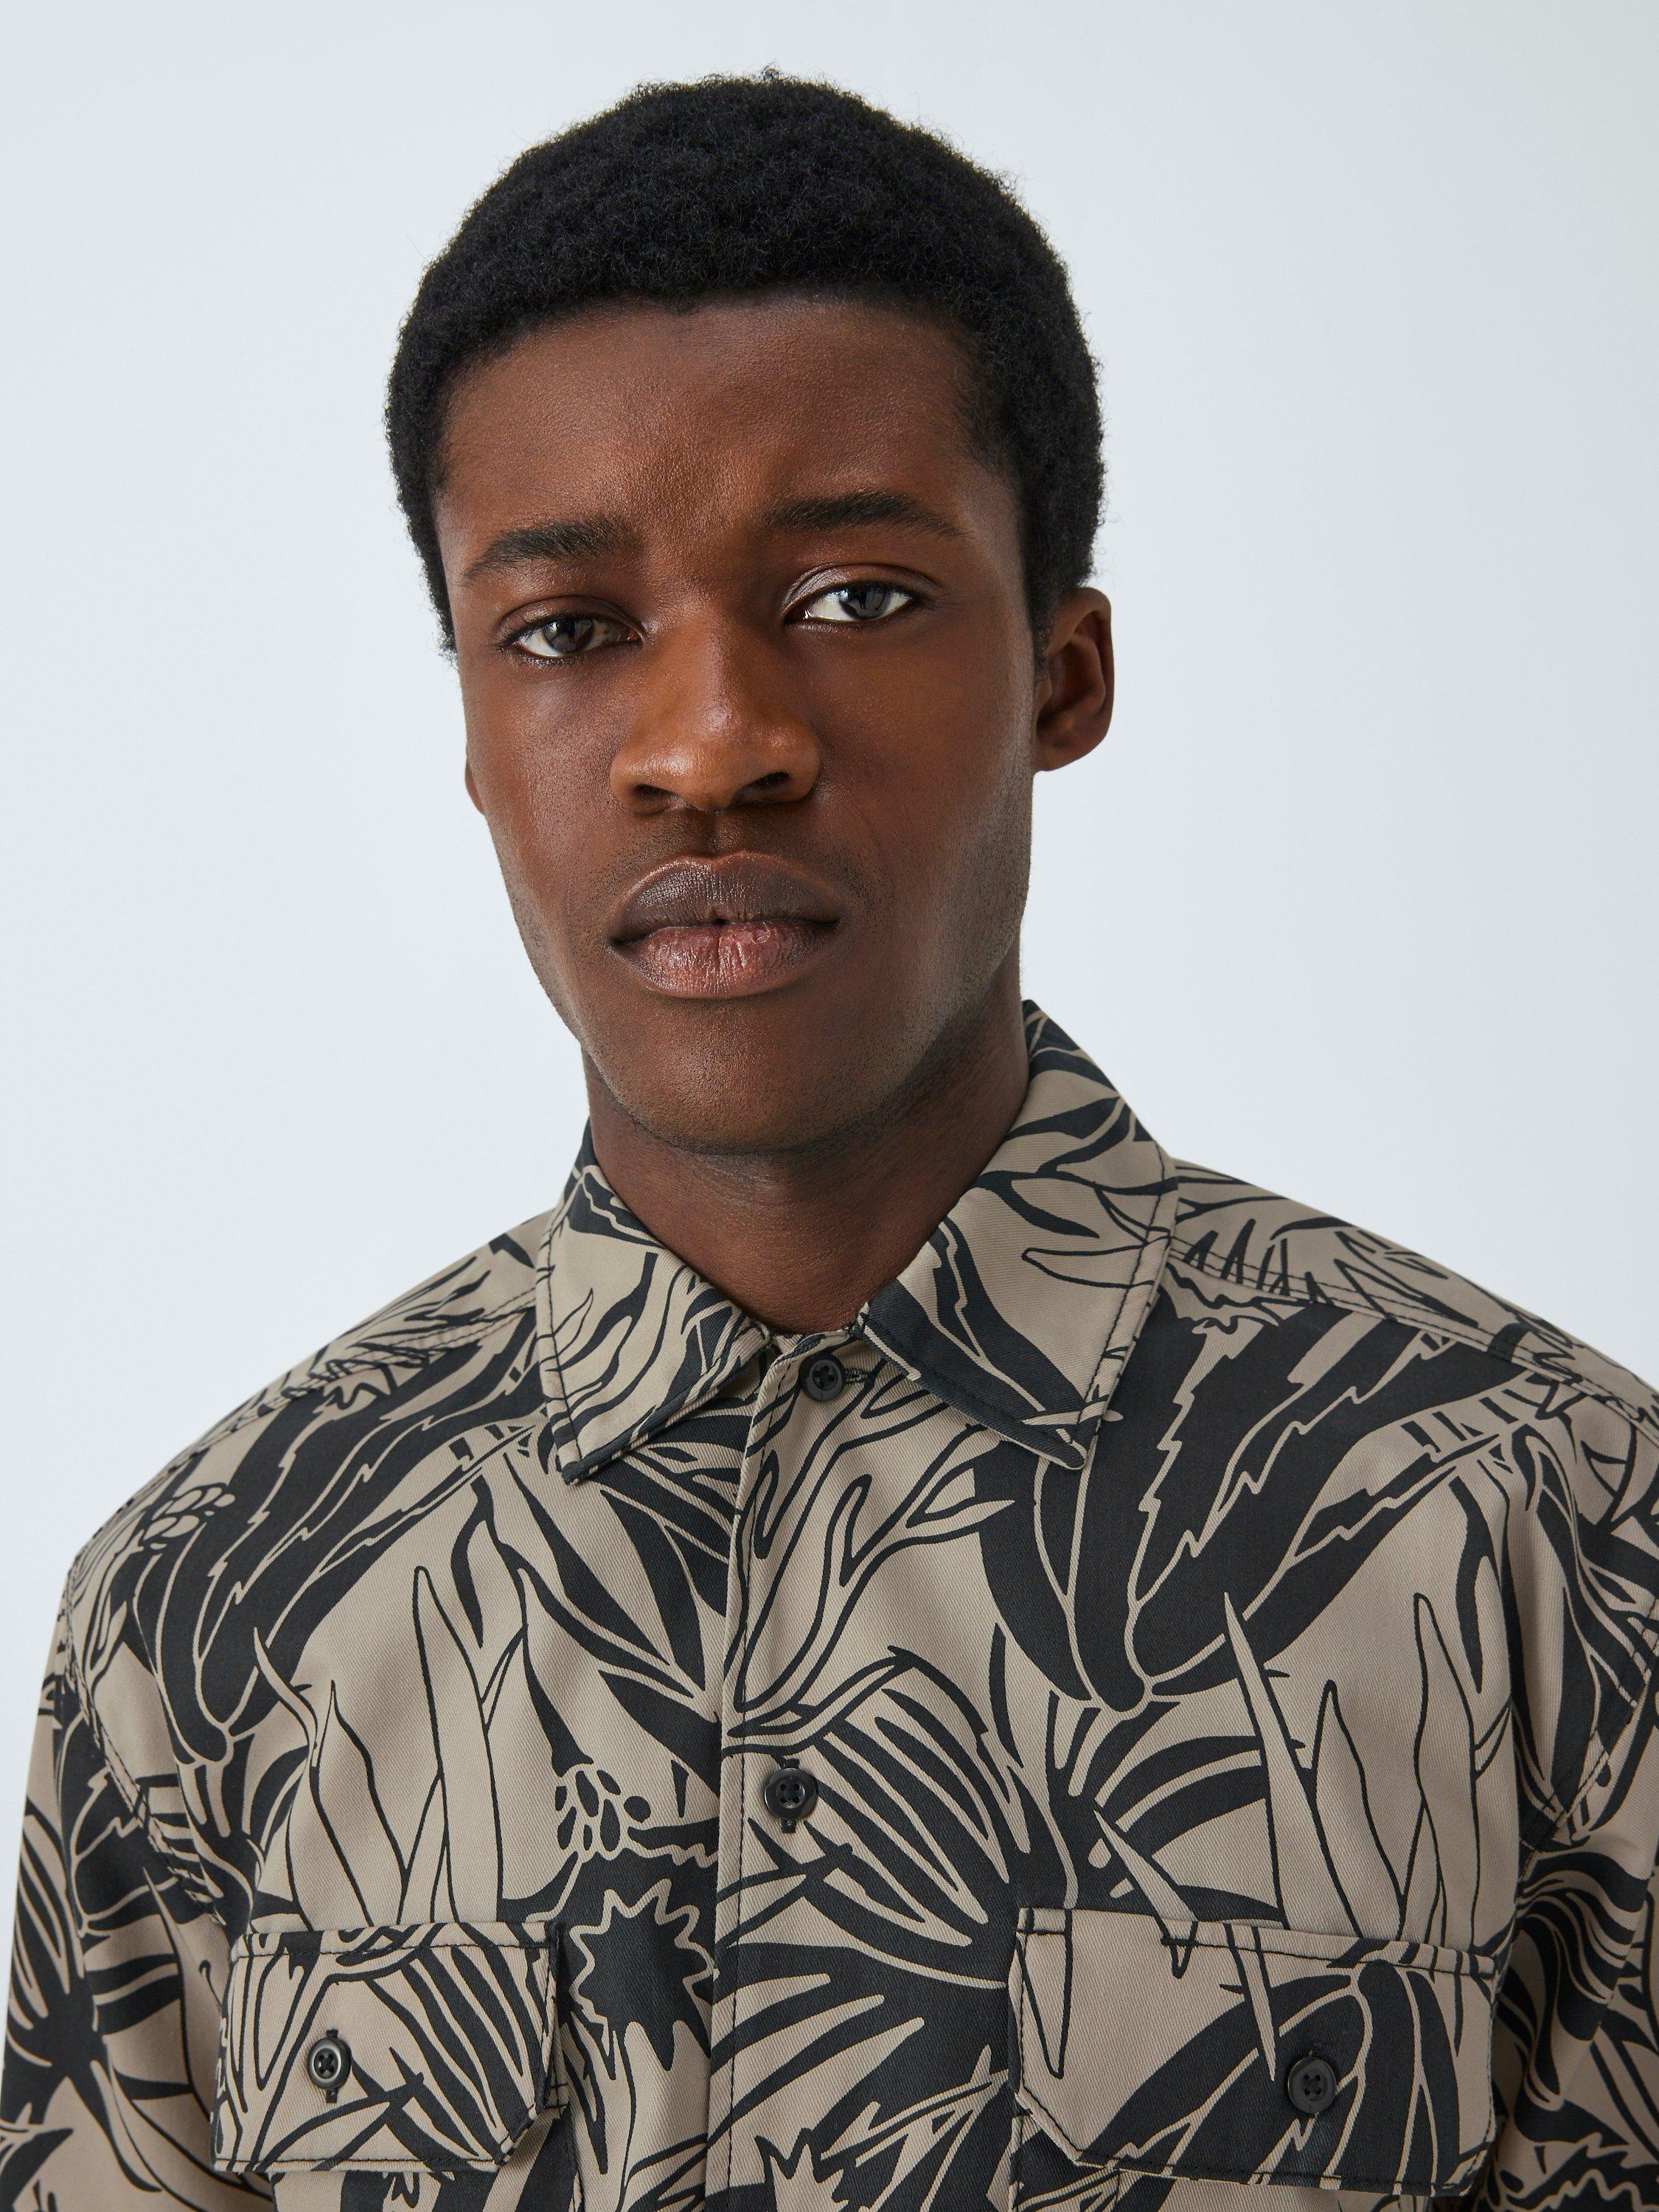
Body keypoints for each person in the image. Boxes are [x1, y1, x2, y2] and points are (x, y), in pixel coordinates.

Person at [2, 70, 1655, 2212]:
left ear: (1061, 675)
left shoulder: (1548, 1529)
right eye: (566, 633)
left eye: (857, 596)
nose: (711, 747)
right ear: (474, 729)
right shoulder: (206, 1615)